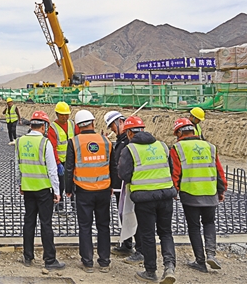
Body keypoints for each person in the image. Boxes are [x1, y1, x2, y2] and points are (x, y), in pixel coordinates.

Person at [118, 116, 177, 284]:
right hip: (166, 195)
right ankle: (169, 266)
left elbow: (124, 174)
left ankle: (151, 271)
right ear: (143, 129)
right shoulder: (162, 145)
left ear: (129, 133)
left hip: (144, 199)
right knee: (166, 232)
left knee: (148, 234)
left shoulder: (130, 149)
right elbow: (170, 168)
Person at [169, 118, 227, 274]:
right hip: (210, 192)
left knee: (194, 227)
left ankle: (200, 261)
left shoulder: (178, 148)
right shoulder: (210, 146)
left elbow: (175, 172)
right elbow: (219, 171)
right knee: (209, 223)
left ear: (179, 133)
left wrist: (174, 190)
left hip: (190, 194)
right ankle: (211, 254)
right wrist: (221, 190)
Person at [65, 110, 114, 273]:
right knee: (103, 226)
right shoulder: (106, 141)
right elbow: (112, 166)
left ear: (78, 126)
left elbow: (69, 168)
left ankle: (87, 262)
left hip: (83, 190)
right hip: (104, 190)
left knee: (85, 226)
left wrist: (68, 189)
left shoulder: (74, 142)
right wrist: (112, 186)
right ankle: (104, 262)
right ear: (93, 123)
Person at [16, 110, 65, 270]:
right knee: (46, 224)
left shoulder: (20, 141)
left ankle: (28, 256)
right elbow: (52, 170)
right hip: (43, 190)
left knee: (29, 222)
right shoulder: (45, 143)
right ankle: (49, 260)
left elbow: (18, 166)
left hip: (28, 189)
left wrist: (20, 184)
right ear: (44, 126)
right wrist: (56, 191)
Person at [104, 110, 142, 262]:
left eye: (112, 126)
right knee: (124, 215)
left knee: (133, 216)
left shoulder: (129, 142)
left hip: (130, 186)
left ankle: (140, 250)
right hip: (120, 187)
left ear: (120, 122)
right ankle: (127, 244)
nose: (112, 129)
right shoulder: (121, 141)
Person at [53, 101, 74, 210]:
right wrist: (57, 163)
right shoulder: (53, 127)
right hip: (60, 161)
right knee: (60, 185)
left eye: (67, 114)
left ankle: (75, 206)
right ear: (57, 114)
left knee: (73, 184)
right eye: (62, 115)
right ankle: (59, 207)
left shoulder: (72, 124)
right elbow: (52, 147)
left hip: (71, 161)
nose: (65, 117)